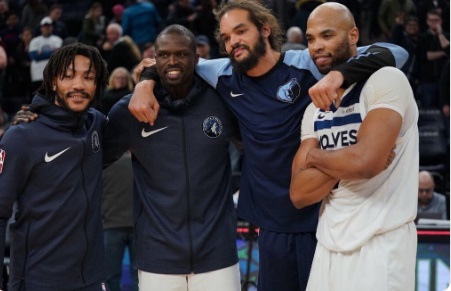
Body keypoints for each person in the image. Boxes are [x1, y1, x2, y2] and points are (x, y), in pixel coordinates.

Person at [129, 1, 408, 290]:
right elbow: (171, 63)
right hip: (272, 225)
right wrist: (145, 83)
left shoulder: (306, 63)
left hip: (324, 218)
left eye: (240, 31)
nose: (232, 42)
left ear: (264, 30)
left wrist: (342, 74)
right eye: (225, 37)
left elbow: (397, 53)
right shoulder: (220, 73)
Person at [290, 3, 418, 290]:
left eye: (327, 35)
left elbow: (366, 163)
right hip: (327, 242)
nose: (317, 46)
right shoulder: (315, 109)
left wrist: (316, 157)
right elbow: (299, 193)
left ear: (353, 35)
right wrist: (348, 158)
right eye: (310, 39)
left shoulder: (387, 80)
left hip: (383, 241)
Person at [104, 24, 241, 291]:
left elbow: (257, 145)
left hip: (218, 253)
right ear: (154, 59)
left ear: (197, 58)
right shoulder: (133, 109)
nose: (173, 61)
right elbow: (91, 153)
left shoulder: (221, 101)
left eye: (181, 54)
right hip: (158, 258)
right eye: (164, 55)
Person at [0, 42, 109, 291]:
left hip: (93, 279)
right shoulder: (21, 137)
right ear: (52, 82)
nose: (79, 85)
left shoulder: (97, 125)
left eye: (88, 77)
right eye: (68, 76)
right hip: (39, 280)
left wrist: (146, 82)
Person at [101, 151, 138, 291]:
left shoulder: (105, 166)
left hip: (111, 226)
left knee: (111, 277)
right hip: (135, 226)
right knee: (136, 277)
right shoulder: (137, 166)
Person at [28, 16, 63, 94]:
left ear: (52, 27)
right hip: (38, 74)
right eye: (45, 26)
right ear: (41, 28)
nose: (47, 28)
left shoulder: (58, 40)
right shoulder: (35, 41)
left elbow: (60, 55)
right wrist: (53, 51)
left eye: (49, 26)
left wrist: (42, 54)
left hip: (53, 73)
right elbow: (34, 56)